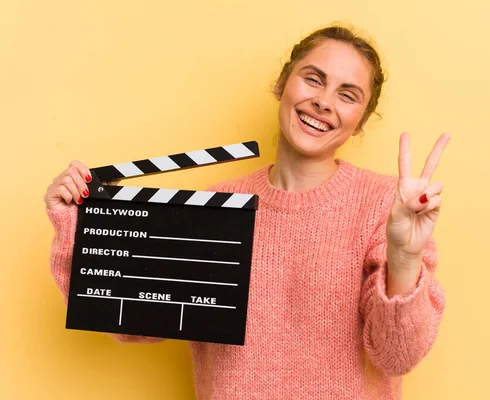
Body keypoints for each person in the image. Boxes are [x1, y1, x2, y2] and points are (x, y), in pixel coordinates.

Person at [44, 25, 450, 399]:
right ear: (282, 83)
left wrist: (404, 257)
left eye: (347, 94)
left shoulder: (384, 204)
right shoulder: (218, 205)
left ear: (360, 121)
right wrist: (75, 224)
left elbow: (397, 358)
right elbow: (132, 323)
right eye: (313, 78)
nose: (324, 102)